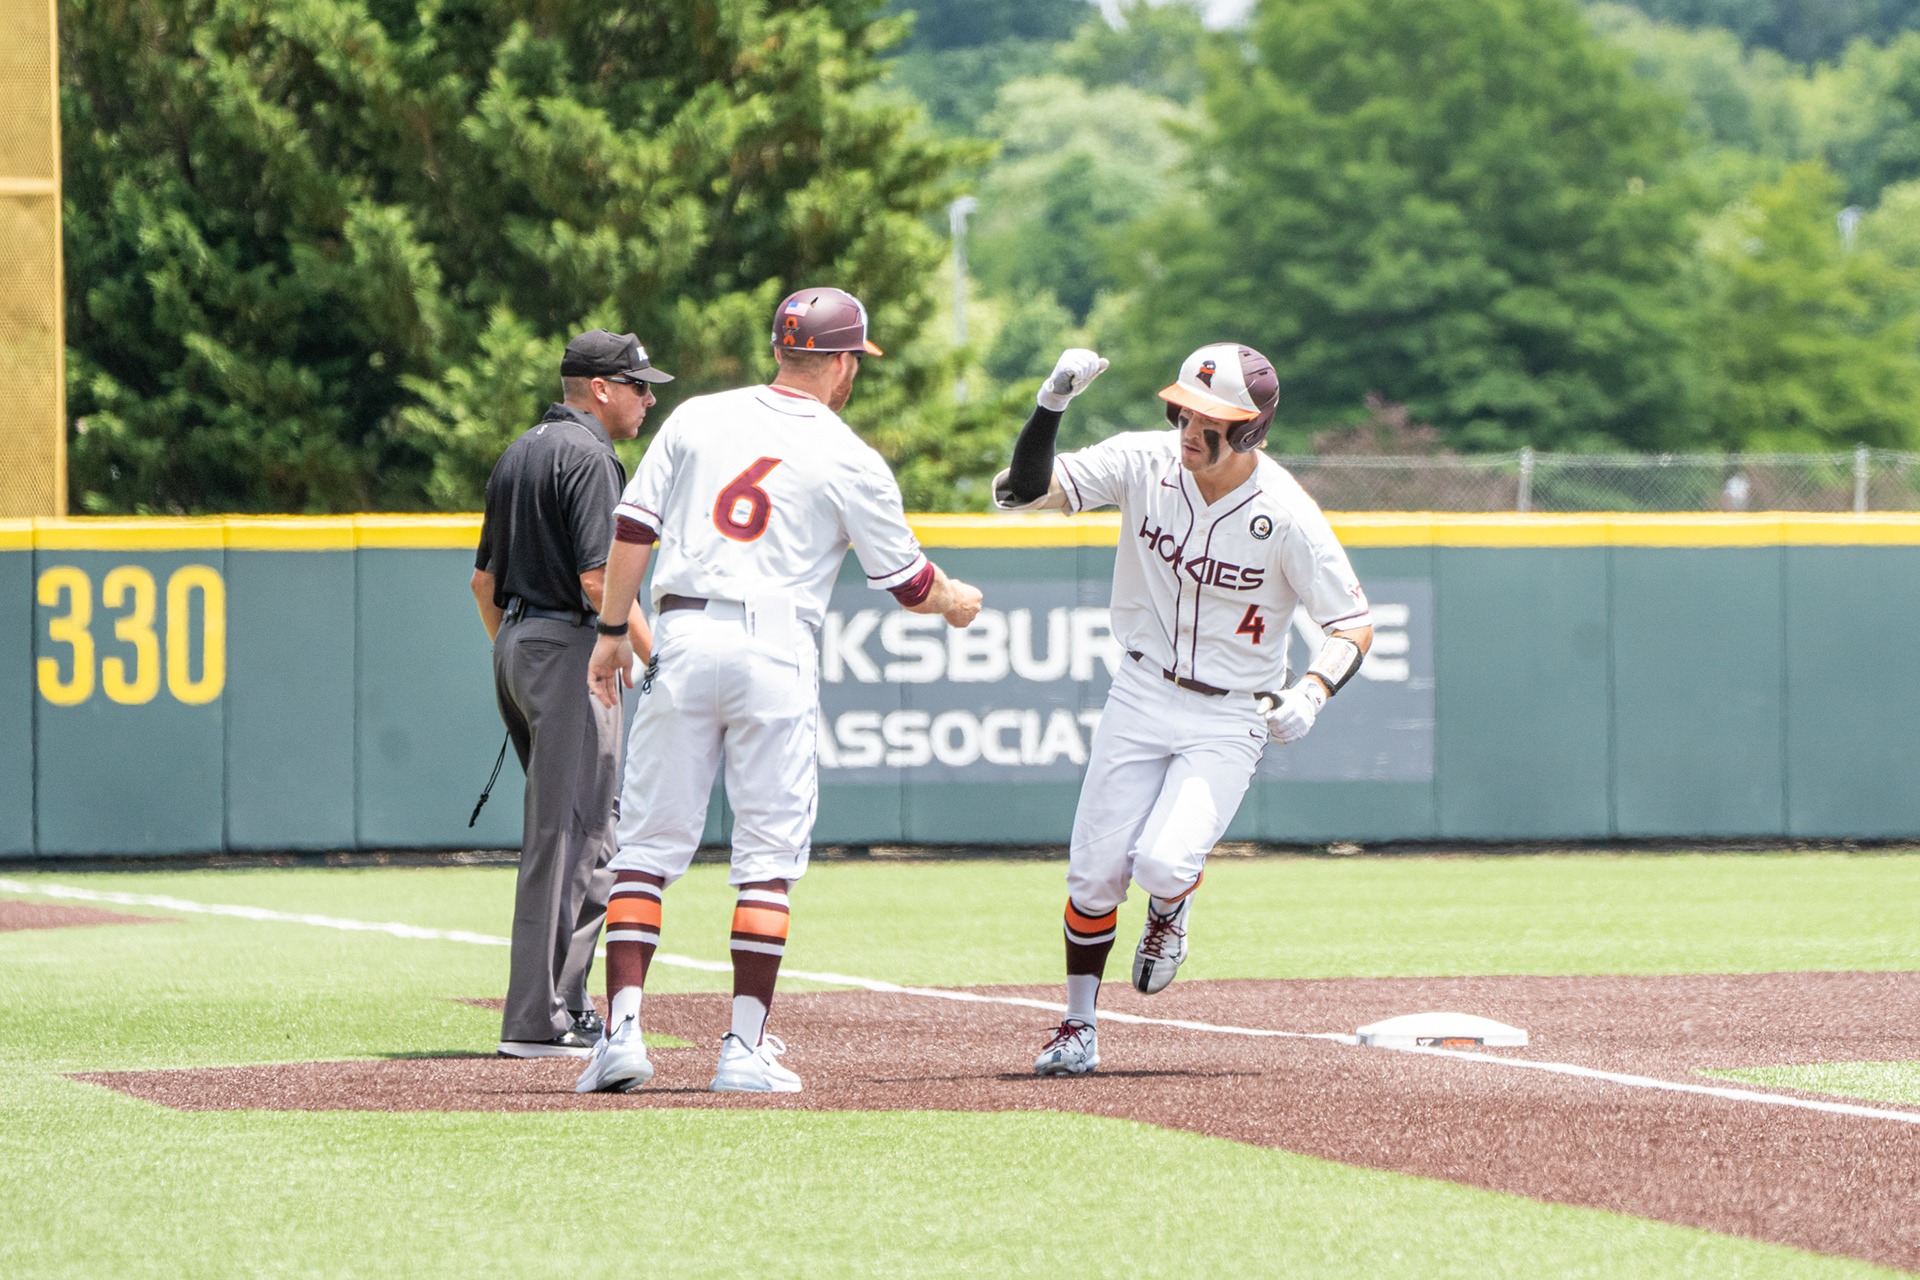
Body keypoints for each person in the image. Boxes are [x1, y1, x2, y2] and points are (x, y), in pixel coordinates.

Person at [572, 287, 983, 1095]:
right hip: (775, 649)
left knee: (647, 852)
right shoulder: (849, 454)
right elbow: (907, 583)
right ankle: (743, 1049)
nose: (853, 376)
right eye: (854, 362)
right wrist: (956, 600)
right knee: (764, 864)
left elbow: (632, 529)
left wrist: (614, 631)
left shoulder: (696, 417)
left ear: (778, 351)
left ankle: (620, 1035)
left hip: (683, 633)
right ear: (839, 364)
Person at [992, 344, 1375, 1076]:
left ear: (1252, 429)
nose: (1188, 427)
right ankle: (1077, 1025)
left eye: (1211, 419)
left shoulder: (1287, 514)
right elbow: (1020, 491)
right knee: (1095, 874)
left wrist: (1313, 691)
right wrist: (1051, 403)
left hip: (1230, 714)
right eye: (1183, 410)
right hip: (1140, 690)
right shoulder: (1144, 462)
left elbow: (1353, 625)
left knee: (1164, 861)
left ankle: (1170, 908)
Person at [469, 330, 673, 1058]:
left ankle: (571, 1004)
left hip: (519, 646)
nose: (648, 399)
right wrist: (660, 657)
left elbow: (483, 586)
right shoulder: (590, 458)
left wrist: (518, 650)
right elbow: (599, 581)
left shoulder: (520, 451)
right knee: (569, 836)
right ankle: (537, 1018)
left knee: (590, 829)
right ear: (600, 388)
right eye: (639, 386)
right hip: (568, 651)